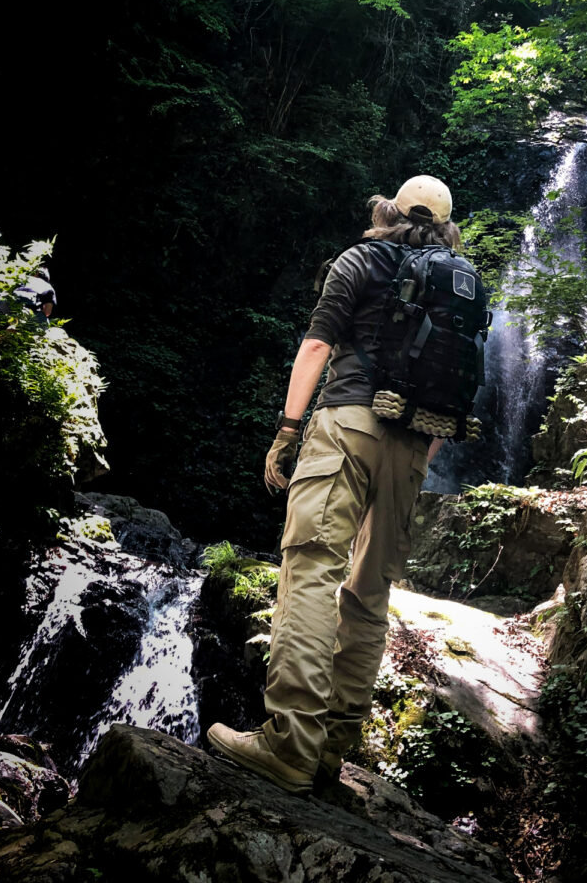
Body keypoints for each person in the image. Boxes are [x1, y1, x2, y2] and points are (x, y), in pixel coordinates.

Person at [207, 175, 460, 795]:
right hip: (412, 444)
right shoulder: (458, 280)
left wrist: (288, 430)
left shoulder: (361, 257)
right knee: (370, 594)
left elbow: (318, 343)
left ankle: (289, 744)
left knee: (313, 569)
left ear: (390, 210)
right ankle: (331, 751)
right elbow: (456, 381)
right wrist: (420, 453)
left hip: (346, 422)